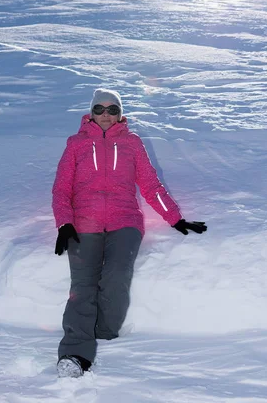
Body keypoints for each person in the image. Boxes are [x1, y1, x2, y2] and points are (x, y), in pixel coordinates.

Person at [52, 88, 207, 378]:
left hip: (125, 222)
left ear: (121, 114)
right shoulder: (75, 144)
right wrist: (65, 223)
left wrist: (175, 219)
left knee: (116, 278)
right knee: (82, 287)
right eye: (100, 109)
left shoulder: (133, 144)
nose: (106, 115)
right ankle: (75, 354)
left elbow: (150, 185)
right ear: (91, 113)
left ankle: (105, 335)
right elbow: (61, 189)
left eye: (113, 110)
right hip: (84, 222)